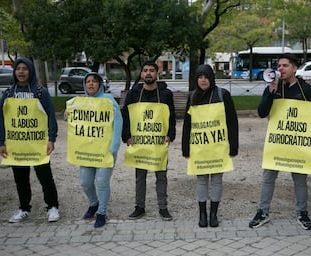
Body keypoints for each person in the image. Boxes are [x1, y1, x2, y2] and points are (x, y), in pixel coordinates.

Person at [249, 53, 311, 230]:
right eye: (279, 66)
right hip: (277, 141)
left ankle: (302, 213)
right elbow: (262, 112)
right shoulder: (273, 88)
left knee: (300, 179)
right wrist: (270, 93)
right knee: (268, 178)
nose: (280, 68)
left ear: (294, 68)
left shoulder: (306, 90)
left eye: (285, 65)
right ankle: (262, 212)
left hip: (297, 143)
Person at [0, 57, 60, 223]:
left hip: (38, 144)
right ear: (14, 72)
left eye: (25, 68)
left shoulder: (40, 92)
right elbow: (2, 119)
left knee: (45, 176)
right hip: (16, 145)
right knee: (20, 179)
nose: (21, 72)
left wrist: (51, 138)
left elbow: (50, 116)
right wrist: (1, 142)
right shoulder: (8, 94)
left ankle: (52, 206)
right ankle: (24, 208)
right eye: (18, 68)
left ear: (30, 71)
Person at [182, 64, 239, 227]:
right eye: (200, 77)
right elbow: (187, 124)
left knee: (216, 180)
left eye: (206, 76)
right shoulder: (193, 97)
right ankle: (202, 214)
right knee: (201, 180)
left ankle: (214, 213)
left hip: (218, 146)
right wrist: (185, 148)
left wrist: (233, 145)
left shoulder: (223, 95)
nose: (203, 80)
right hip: (199, 148)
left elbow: (232, 122)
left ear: (211, 78)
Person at [122, 61, 176, 221]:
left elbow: (171, 116)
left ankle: (163, 207)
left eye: (151, 70)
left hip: (159, 142)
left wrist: (170, 135)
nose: (148, 73)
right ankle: (139, 206)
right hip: (139, 142)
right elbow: (126, 115)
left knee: (161, 175)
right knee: (140, 176)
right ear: (141, 74)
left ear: (157, 73)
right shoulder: (134, 94)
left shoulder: (165, 94)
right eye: (145, 70)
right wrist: (127, 136)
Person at [68, 73, 123, 228]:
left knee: (102, 181)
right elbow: (74, 120)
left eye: (94, 81)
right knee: (85, 182)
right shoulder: (80, 102)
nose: (91, 84)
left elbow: (118, 121)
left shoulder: (108, 100)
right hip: (87, 150)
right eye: (88, 81)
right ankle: (93, 203)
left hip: (105, 150)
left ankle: (101, 212)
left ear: (100, 84)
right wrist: (68, 115)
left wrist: (115, 145)